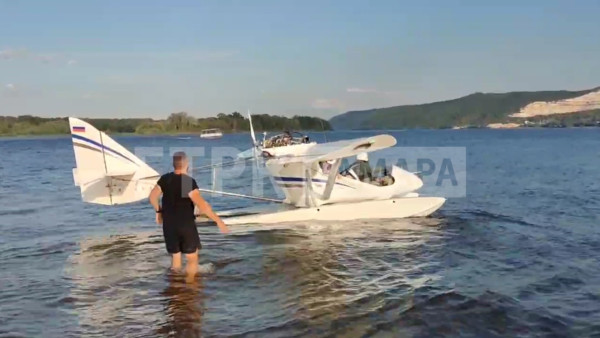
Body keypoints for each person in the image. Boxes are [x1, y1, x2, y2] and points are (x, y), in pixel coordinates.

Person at [149, 151, 229, 278]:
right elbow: (202, 206)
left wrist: (158, 211)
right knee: (192, 258)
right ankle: (190, 287)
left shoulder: (165, 179)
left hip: (169, 226)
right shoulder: (186, 181)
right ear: (187, 165)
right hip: (185, 225)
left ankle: (175, 288)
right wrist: (219, 221)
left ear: (174, 164)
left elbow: (152, 197)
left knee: (176, 257)